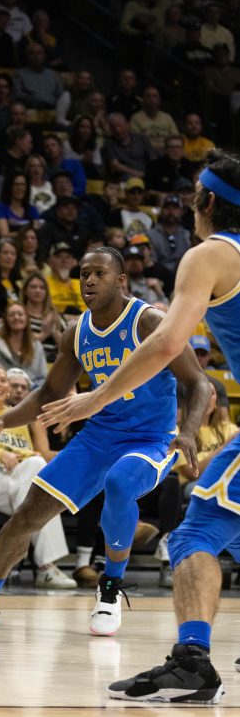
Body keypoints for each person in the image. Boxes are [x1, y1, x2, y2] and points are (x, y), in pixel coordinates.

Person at [39, 150, 240, 703]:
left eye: (193, 195)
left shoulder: (209, 255)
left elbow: (168, 343)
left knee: (196, 535)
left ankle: (192, 664)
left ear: (208, 201)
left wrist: (97, 396)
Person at [0, 246, 209, 636]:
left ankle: (110, 586)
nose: (89, 280)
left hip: (151, 438)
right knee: (29, 512)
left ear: (121, 280)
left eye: (100, 273)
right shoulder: (76, 332)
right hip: (99, 436)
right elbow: (50, 392)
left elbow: (199, 382)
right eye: (84, 274)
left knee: (120, 482)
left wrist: (188, 431)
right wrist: (3, 420)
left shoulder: (148, 321)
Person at [0, 365, 76, 590]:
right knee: (38, 501)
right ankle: (46, 567)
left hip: (14, 477)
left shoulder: (14, 415)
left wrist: (28, 455)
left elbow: (26, 453)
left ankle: (35, 563)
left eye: (2, 380)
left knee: (36, 464)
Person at [0, 303, 47, 386]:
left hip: (32, 390)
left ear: (26, 318)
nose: (16, 317)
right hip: (4, 389)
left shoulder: (37, 346)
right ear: (6, 319)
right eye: (12, 315)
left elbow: (42, 376)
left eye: (20, 314)